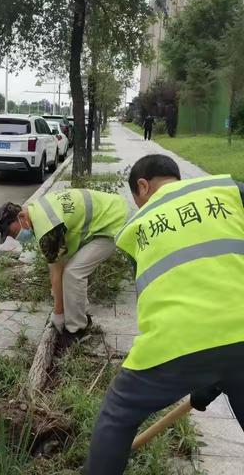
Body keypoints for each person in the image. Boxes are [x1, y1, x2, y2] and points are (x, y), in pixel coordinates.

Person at [86, 154, 244, 474]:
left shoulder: (135, 230)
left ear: (143, 186)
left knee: (119, 412)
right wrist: (217, 375)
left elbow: (161, 302)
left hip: (177, 340)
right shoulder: (229, 190)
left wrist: (204, 370)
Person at [0, 189, 129, 346]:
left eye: (12, 232)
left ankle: (77, 331)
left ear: (21, 217)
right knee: (71, 270)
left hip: (114, 224)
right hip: (112, 212)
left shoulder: (46, 228)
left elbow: (57, 272)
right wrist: (59, 303)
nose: (15, 238)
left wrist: (58, 312)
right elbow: (58, 265)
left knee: (73, 273)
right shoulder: (36, 209)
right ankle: (81, 315)